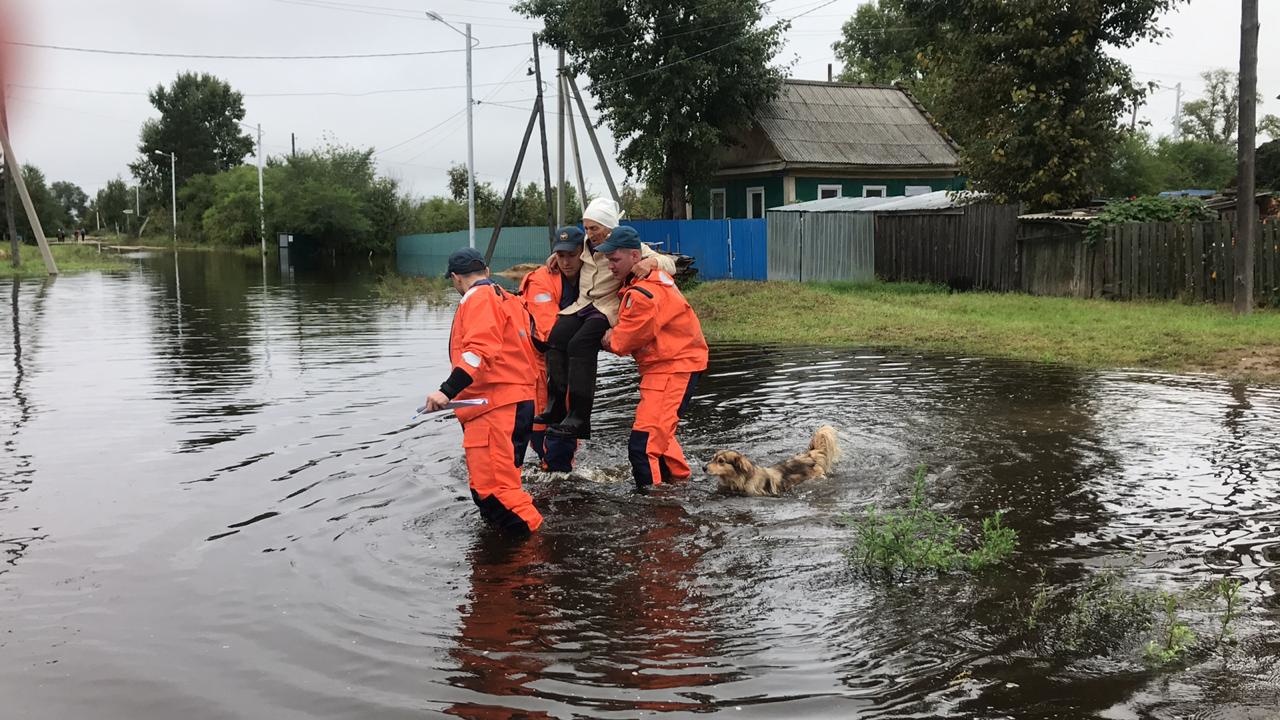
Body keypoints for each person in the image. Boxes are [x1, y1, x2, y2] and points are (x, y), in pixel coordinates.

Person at [424, 247, 543, 536]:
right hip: (516, 404)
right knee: (500, 488)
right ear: (486, 272)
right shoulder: (509, 299)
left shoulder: (478, 298)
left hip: (494, 409)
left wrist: (446, 391)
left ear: (455, 278)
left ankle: (537, 554)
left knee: (496, 493)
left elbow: (479, 351)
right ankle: (514, 559)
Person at [534, 198, 677, 440]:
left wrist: (650, 262)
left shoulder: (624, 243)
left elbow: (669, 263)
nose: (590, 234)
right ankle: (556, 405)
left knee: (581, 345)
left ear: (609, 227)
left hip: (605, 308)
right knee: (556, 338)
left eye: (595, 228)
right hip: (582, 304)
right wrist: (554, 257)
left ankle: (580, 417)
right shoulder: (586, 243)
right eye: (587, 228)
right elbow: (568, 250)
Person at [598, 227, 708, 490]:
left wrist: (605, 337)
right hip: (671, 366)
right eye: (608, 259)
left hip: (672, 368)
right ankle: (679, 485)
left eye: (615, 259)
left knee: (642, 446)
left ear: (635, 257)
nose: (610, 266)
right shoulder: (651, 279)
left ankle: (656, 514)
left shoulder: (643, 294)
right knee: (661, 435)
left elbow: (622, 342)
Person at [518, 227, 584, 472]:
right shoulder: (540, 280)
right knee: (543, 421)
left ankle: (559, 471)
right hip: (541, 361)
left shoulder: (594, 271)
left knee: (569, 421)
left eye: (571, 255)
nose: (565, 262)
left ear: (583, 253)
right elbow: (549, 331)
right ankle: (552, 472)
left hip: (572, 361)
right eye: (560, 255)